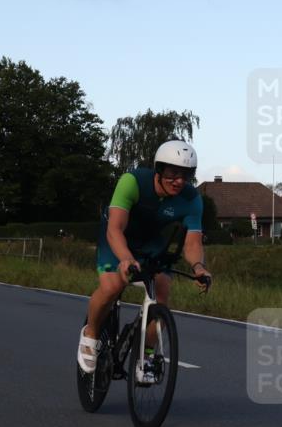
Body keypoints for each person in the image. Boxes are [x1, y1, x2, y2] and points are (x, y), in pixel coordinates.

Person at [78, 140, 212, 380]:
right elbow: (115, 228)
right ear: (159, 170)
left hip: (151, 243)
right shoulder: (132, 181)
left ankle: (146, 356)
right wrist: (126, 258)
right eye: (173, 173)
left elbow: (192, 243)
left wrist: (199, 266)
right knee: (113, 286)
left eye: (186, 175)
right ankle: (91, 333)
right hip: (118, 236)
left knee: (160, 292)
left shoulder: (192, 199)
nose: (179, 181)